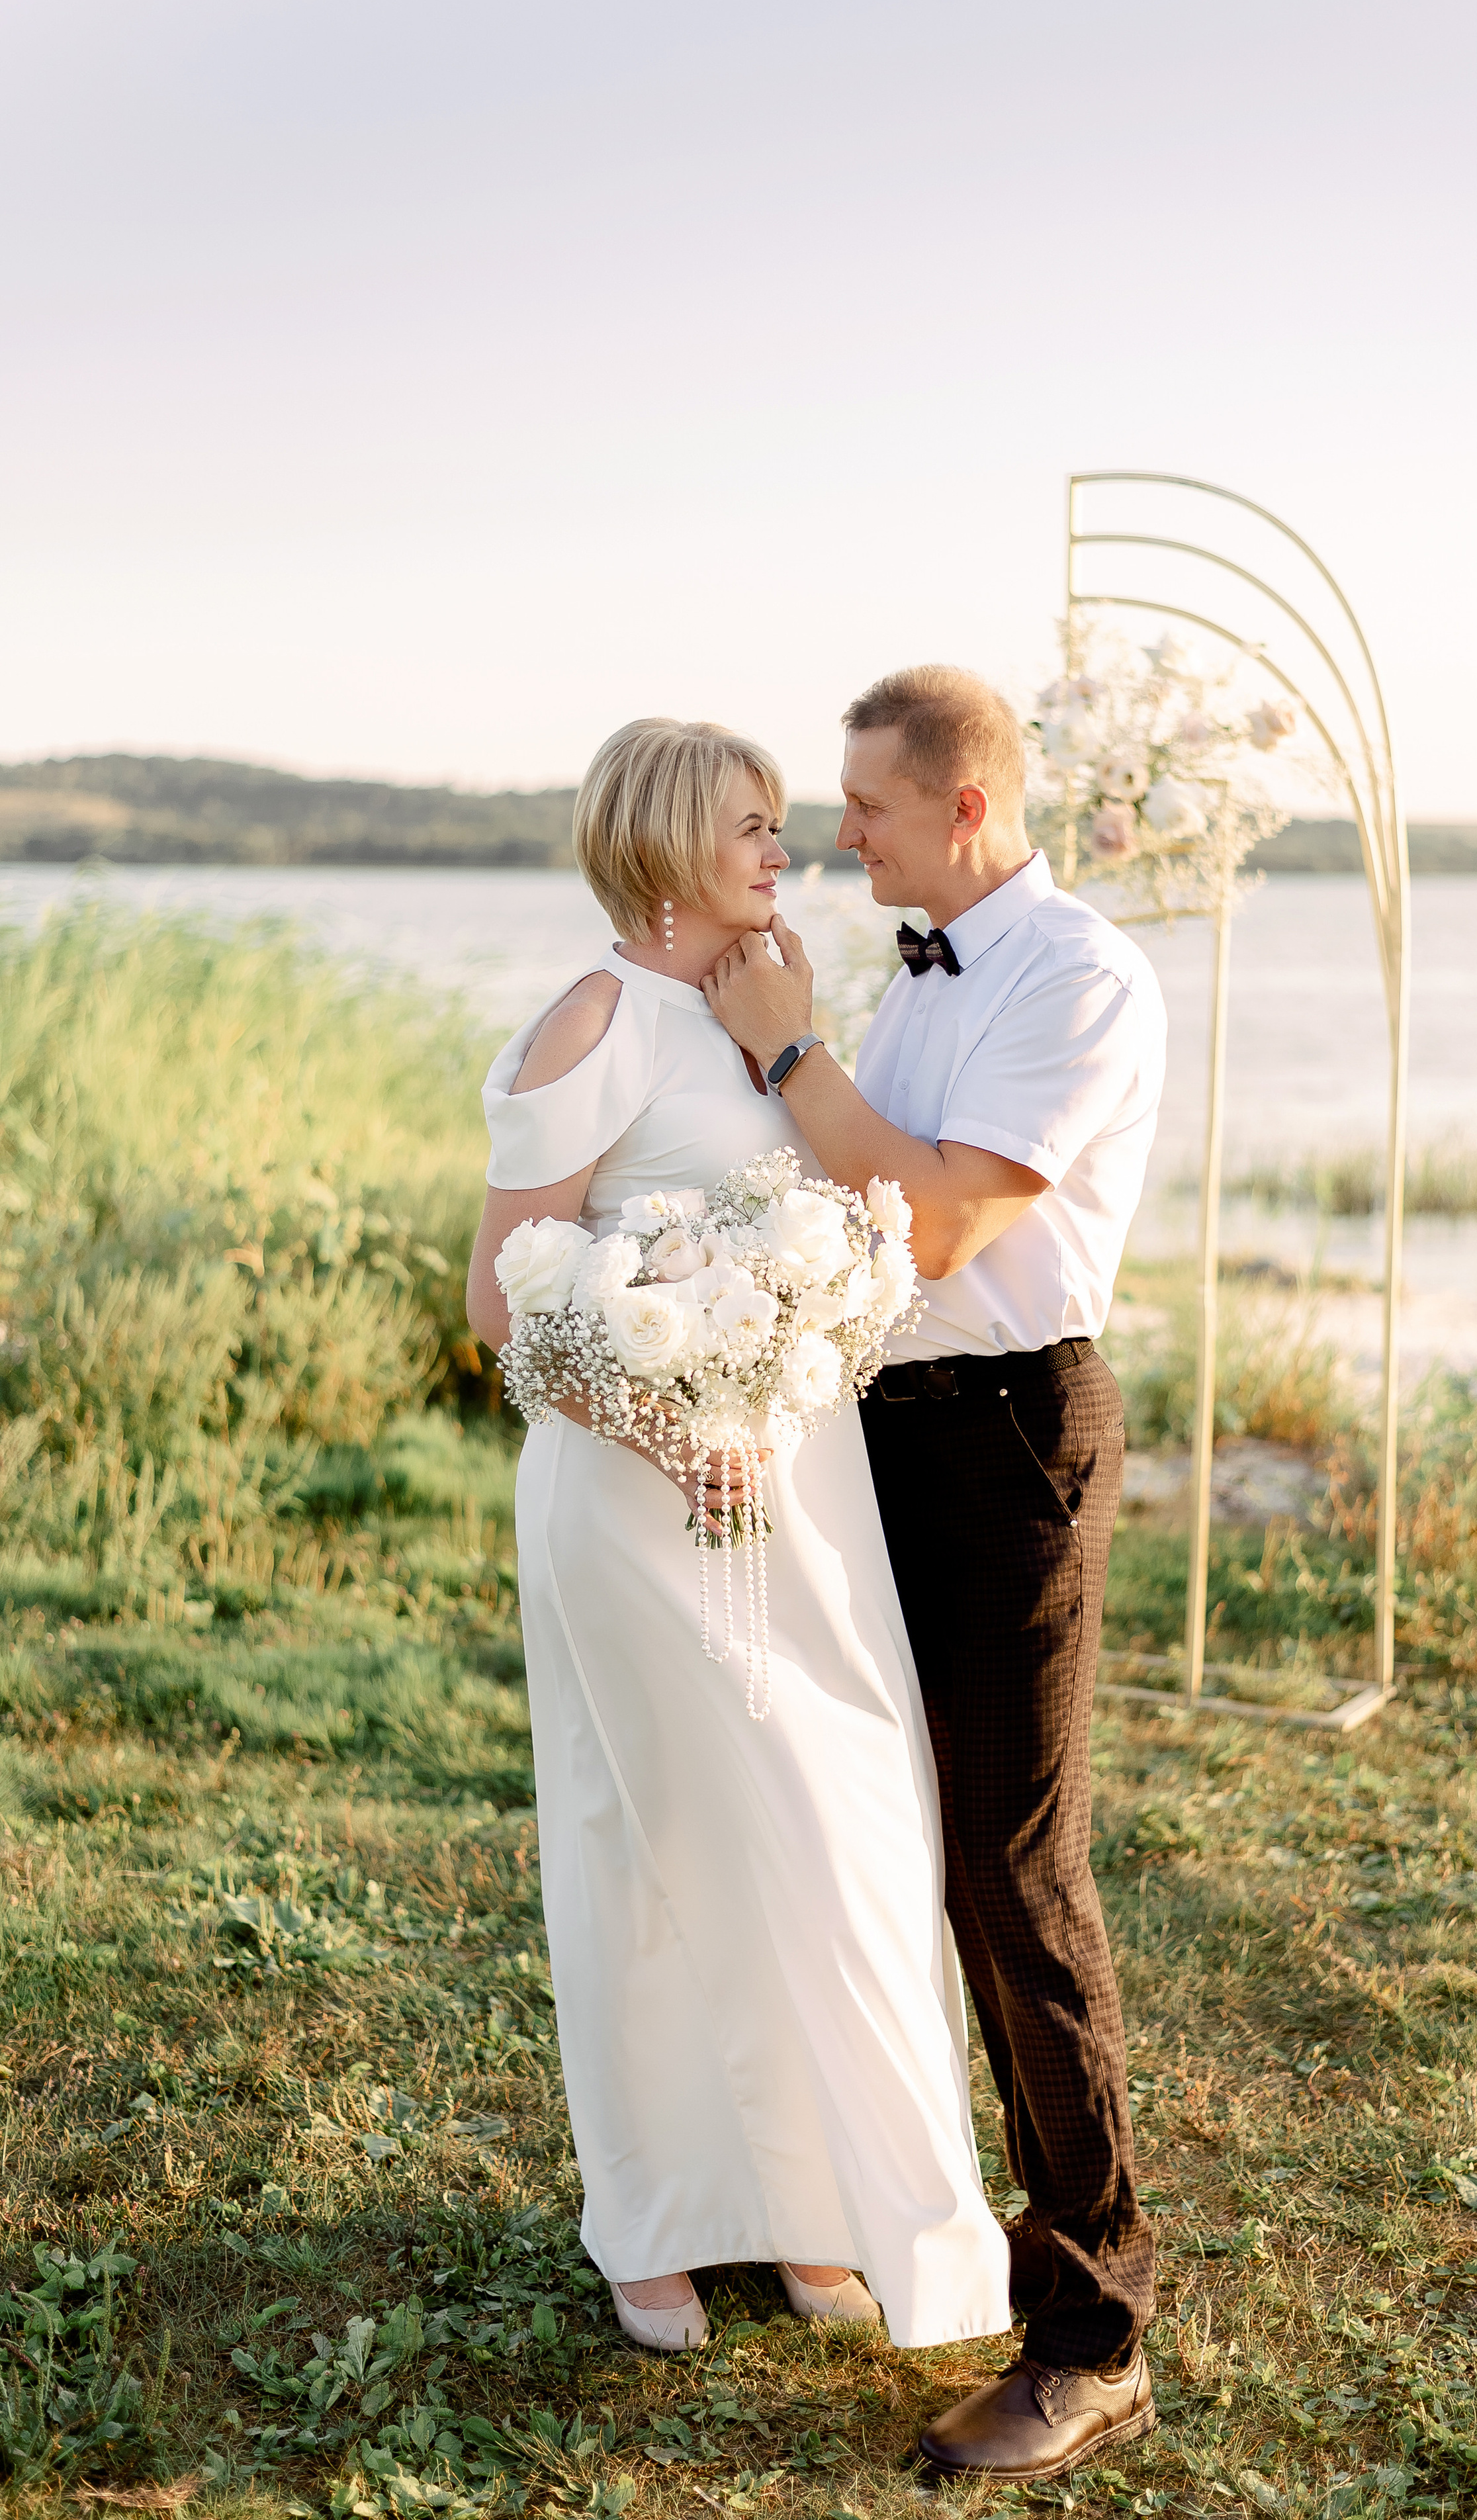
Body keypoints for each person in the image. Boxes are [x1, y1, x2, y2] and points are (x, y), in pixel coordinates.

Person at [465, 715, 1010, 2358]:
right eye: (752, 824)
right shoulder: (596, 1019)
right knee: (652, 1854)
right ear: (658, 834)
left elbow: (844, 1236)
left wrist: (794, 1374)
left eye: (787, 824)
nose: (784, 849)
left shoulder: (764, 1010)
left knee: (828, 1835)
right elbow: (502, 1300)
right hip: (634, 1497)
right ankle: (649, 2221)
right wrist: (675, 1431)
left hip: (798, 1482)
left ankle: (804, 2205)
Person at [703, 665, 1167, 2480]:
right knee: (859, 1824)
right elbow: (837, 1215)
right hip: (871, 1424)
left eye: (868, 808)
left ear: (961, 808)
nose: (840, 836)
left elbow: (945, 1217)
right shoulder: (917, 976)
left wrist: (787, 1049)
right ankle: (860, 2209)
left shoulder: (1083, 980)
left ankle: (1096, 2323)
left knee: (1009, 1867)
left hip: (1006, 1443)